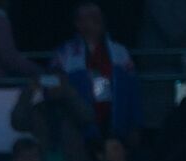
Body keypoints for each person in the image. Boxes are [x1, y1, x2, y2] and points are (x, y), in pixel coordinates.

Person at [52, 3, 142, 143]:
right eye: (85, 18)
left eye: (95, 18)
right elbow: (51, 86)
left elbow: (133, 91)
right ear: (77, 23)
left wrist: (135, 124)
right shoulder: (65, 53)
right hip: (77, 131)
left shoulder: (120, 52)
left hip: (114, 126)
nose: (91, 23)